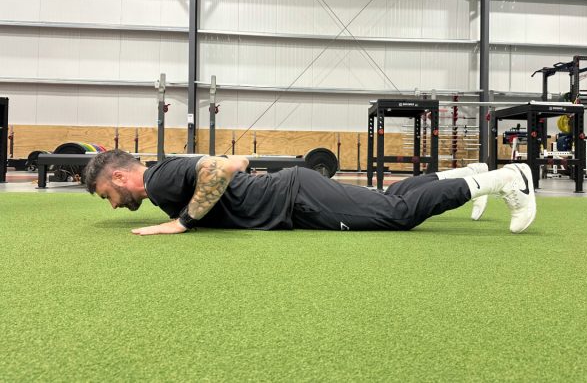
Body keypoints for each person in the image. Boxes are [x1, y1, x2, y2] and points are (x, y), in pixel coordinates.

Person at [83, 149, 536, 236]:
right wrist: (234, 168)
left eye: (107, 194)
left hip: (294, 199)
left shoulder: (158, 180)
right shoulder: (165, 172)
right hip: (292, 193)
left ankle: (503, 181)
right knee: (385, 196)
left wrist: (182, 222)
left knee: (395, 213)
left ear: (120, 178)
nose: (114, 202)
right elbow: (232, 162)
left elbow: (219, 168)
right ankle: (469, 173)